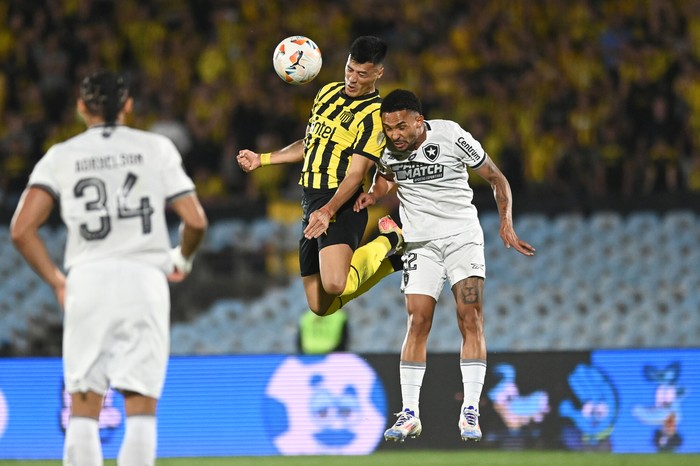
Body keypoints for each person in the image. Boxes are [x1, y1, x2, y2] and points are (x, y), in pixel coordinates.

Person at [10, 70, 208, 465]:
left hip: (88, 280)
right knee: (140, 408)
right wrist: (181, 258)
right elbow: (196, 221)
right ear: (128, 106)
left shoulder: (61, 155)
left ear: (82, 106)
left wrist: (56, 281)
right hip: (145, 279)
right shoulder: (156, 148)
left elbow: (21, 229)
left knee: (83, 407)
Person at [354, 89, 536, 443]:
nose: (395, 135)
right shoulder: (387, 148)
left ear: (419, 121)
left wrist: (506, 222)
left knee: (470, 316)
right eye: (389, 128)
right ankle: (409, 413)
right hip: (419, 243)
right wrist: (375, 194)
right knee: (417, 320)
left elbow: (496, 177)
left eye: (401, 126)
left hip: (461, 239)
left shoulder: (451, 135)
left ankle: (470, 409)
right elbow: (388, 175)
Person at [237, 36, 403, 317]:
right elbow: (310, 143)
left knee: (336, 283)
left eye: (362, 74)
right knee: (319, 306)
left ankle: (390, 239)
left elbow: (357, 173)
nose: (352, 78)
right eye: (349, 69)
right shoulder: (326, 93)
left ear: (378, 73)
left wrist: (328, 210)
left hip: (340, 202)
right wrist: (262, 159)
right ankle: (394, 263)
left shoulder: (375, 115)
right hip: (311, 202)